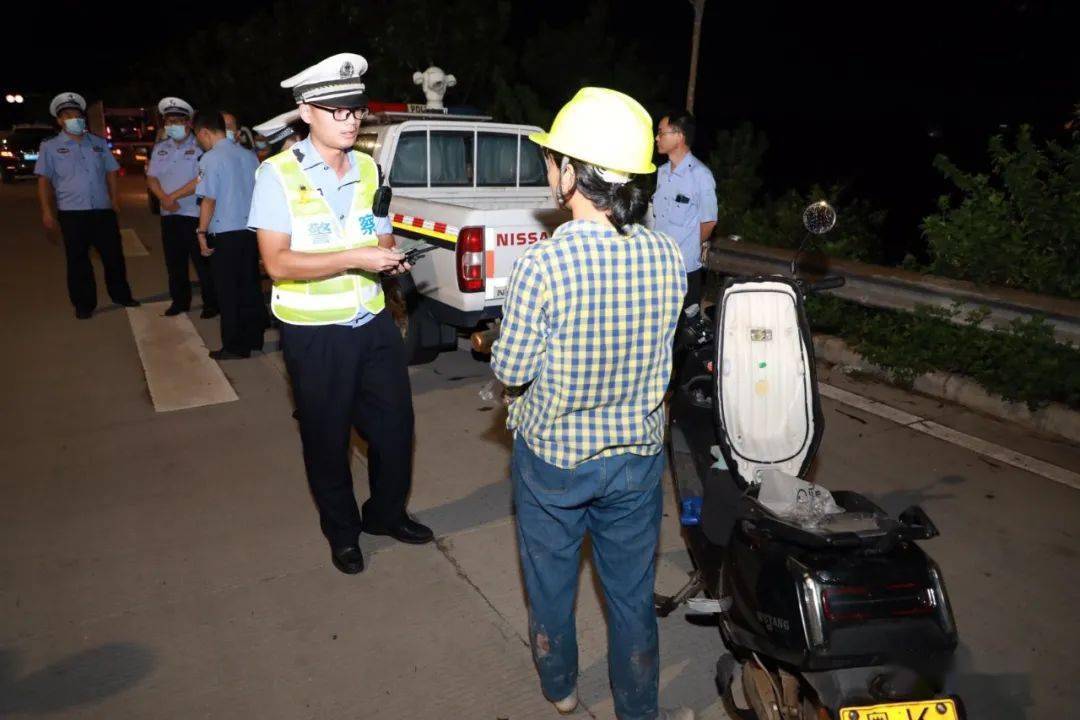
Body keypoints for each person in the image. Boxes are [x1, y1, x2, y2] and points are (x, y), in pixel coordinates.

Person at [490, 87, 692, 720]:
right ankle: (638, 709)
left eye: (553, 161)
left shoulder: (542, 264)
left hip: (555, 460)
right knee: (630, 596)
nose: (549, 171)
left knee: (551, 586)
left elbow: (512, 370)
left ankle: (561, 688)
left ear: (573, 174)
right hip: (636, 457)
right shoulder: (667, 255)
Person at [249, 53, 433, 576]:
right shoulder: (276, 174)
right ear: (307, 112)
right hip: (314, 333)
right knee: (327, 440)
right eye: (338, 110)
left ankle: (386, 514)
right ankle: (344, 533)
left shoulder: (370, 167)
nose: (352, 120)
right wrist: (356, 258)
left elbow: (379, 230)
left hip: (372, 321)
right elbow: (276, 262)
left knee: (396, 431)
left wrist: (389, 254)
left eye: (357, 109)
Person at [35, 92, 139, 319]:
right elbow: (44, 181)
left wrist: (114, 199)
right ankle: (84, 304)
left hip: (102, 211)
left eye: (77, 115)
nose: (74, 119)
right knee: (78, 261)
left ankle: (121, 295)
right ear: (59, 120)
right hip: (72, 213)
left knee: (113, 257)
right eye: (67, 115)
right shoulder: (50, 147)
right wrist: (46, 211)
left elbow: (111, 171)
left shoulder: (98, 143)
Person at [192, 110, 266, 359]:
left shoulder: (210, 159)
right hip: (250, 231)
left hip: (225, 234)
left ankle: (235, 346)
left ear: (204, 132)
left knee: (228, 291)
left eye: (198, 137)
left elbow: (208, 200)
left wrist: (201, 231)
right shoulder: (249, 155)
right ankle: (254, 338)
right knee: (250, 286)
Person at [146, 97, 218, 318]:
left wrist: (172, 196)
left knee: (202, 262)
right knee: (174, 262)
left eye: (177, 121)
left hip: (195, 214)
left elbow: (201, 178)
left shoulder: (200, 146)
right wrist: (163, 198)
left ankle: (211, 303)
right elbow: (152, 177)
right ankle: (179, 301)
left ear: (188, 123)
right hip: (169, 214)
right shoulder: (161, 148)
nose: (172, 125)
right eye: (169, 121)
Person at [652, 111, 717, 309]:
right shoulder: (662, 173)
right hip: (657, 267)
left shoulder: (701, 175)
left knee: (685, 324)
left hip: (684, 271)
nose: (656, 138)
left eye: (661, 132)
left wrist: (687, 248)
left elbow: (709, 222)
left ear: (679, 136)